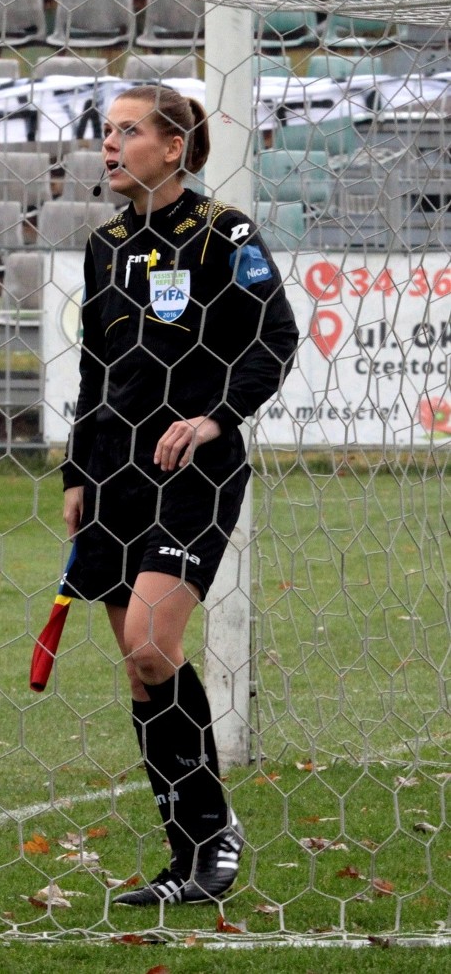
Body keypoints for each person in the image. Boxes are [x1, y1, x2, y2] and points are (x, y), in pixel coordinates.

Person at [61, 85, 298, 905]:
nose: (109, 144)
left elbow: (277, 336)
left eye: (128, 130)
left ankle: (216, 828)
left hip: (191, 473)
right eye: (105, 131)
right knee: (138, 668)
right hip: (115, 476)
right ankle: (191, 855)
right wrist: (75, 472)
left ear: (174, 146)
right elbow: (96, 370)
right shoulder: (106, 244)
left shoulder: (224, 232)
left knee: (154, 646)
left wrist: (214, 418)